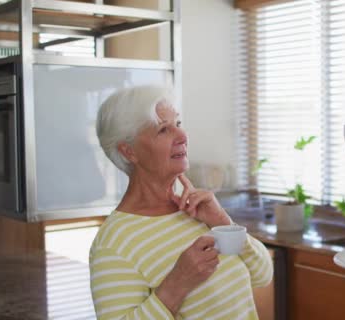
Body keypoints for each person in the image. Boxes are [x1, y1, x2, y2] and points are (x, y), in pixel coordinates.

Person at [89, 86, 273, 319]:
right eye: (163, 130)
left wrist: (224, 222)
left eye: (177, 124)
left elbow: (263, 274)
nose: (182, 136)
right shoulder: (113, 245)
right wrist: (177, 283)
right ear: (129, 151)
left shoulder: (195, 211)